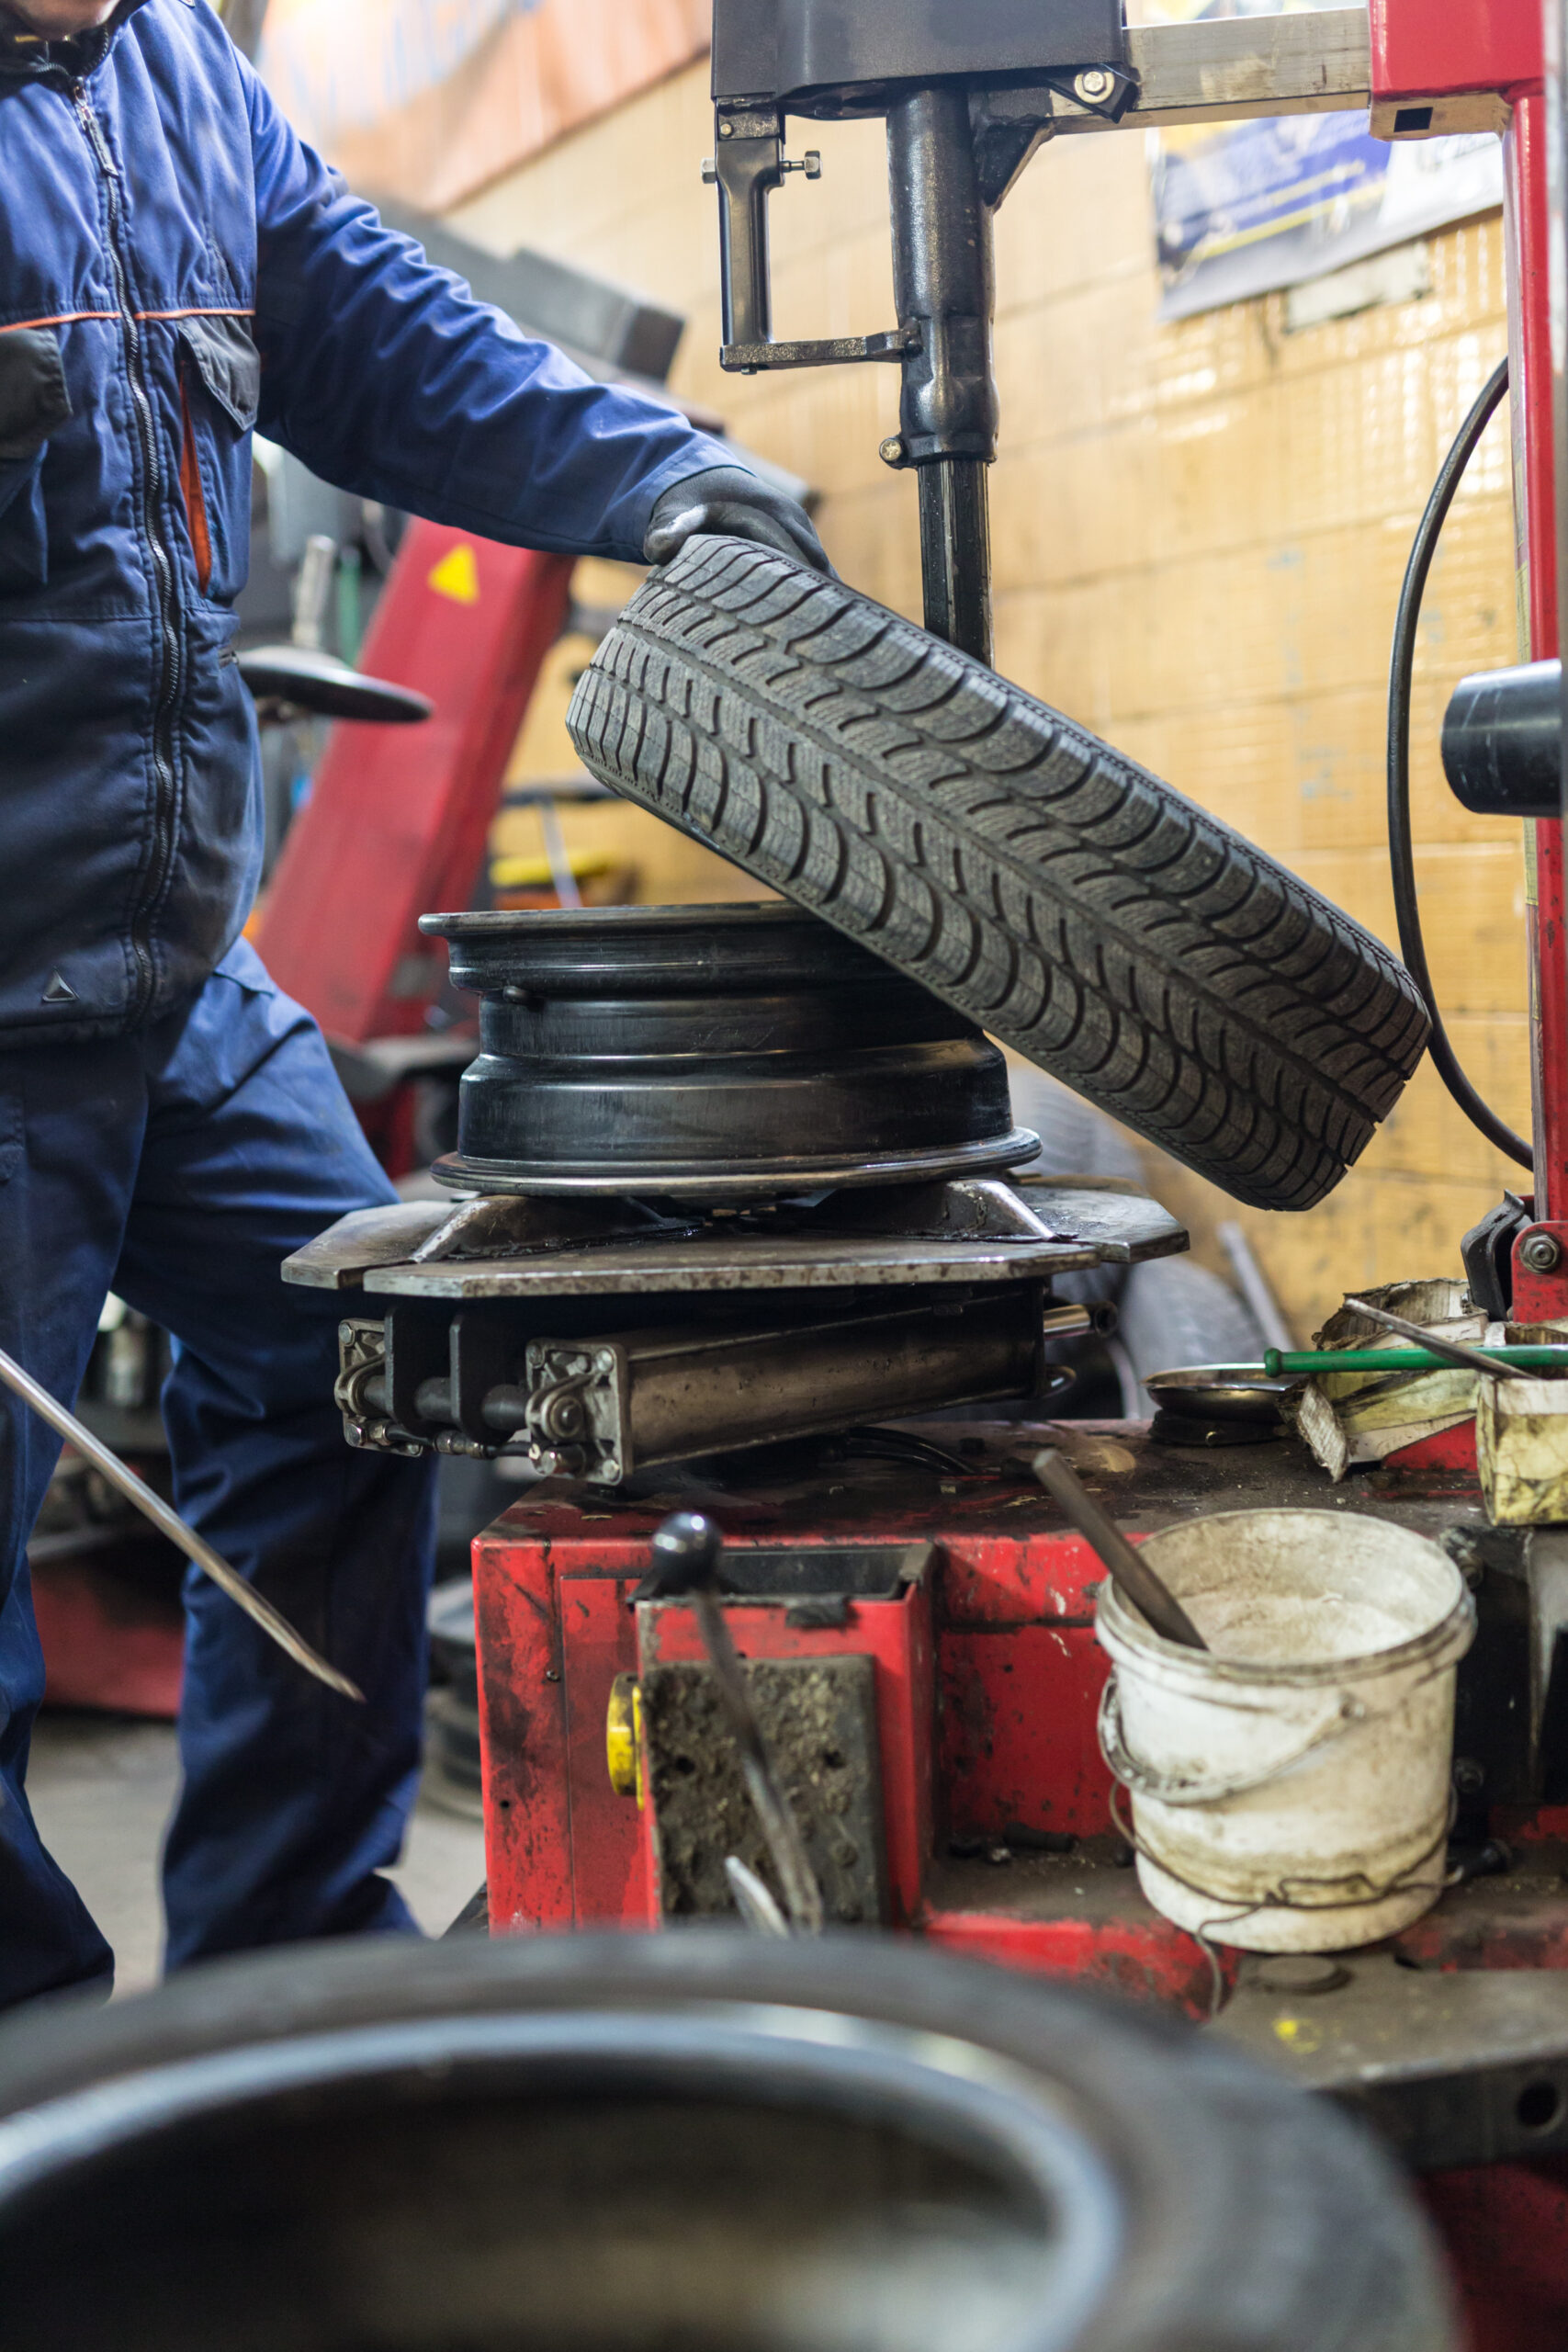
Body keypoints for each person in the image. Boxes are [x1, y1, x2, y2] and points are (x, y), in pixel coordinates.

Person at [0, 0, 829, 2008]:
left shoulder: (176, 79)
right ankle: (39, 2103)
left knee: (356, 1346)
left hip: (164, 961)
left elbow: (374, 335)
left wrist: (669, 481)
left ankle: (283, 1969)